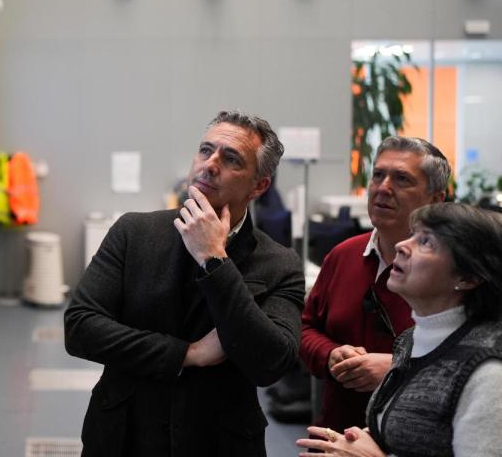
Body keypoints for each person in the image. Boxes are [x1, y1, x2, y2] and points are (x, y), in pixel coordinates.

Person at [65, 111, 304, 456]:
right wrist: (187, 355)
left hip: (219, 442)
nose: (210, 164)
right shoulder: (134, 232)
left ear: (259, 186)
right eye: (206, 150)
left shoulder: (279, 263)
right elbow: (80, 328)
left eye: (231, 159)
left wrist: (214, 259)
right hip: (125, 435)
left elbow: (270, 364)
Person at [297, 203, 502, 456]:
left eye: (426, 242)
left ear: (467, 278)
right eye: (413, 235)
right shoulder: (410, 341)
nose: (401, 246)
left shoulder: (489, 372)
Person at [299, 137, 450, 432]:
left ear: (435, 200)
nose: (383, 187)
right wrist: (330, 355)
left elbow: (471, 362)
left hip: (411, 441)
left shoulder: (454, 273)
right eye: (378, 175)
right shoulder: (342, 255)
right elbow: (306, 328)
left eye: (402, 179)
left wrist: (397, 370)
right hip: (336, 437)